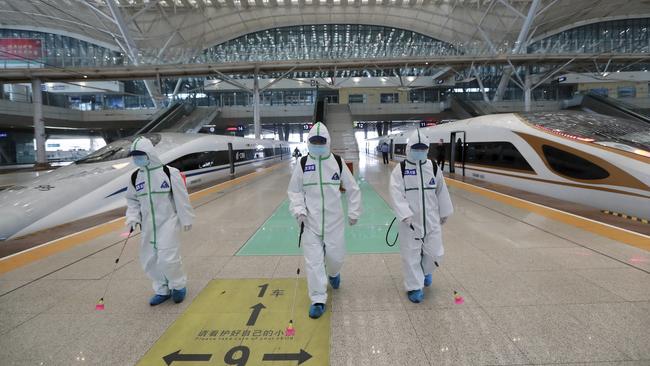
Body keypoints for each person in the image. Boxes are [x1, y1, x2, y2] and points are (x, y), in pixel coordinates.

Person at [287, 122, 362, 319]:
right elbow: (294, 191)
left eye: (321, 141)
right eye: (314, 141)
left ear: (328, 142)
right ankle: (318, 299)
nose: (318, 144)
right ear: (309, 142)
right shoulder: (302, 164)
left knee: (335, 259)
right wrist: (299, 210)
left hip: (334, 223)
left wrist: (354, 212)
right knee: (313, 263)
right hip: (310, 223)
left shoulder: (337, 162)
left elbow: (353, 188)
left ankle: (334, 273)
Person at [126, 136, 195, 306]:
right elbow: (132, 200)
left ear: (149, 154)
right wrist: (132, 217)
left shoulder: (169, 173)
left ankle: (178, 286)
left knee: (168, 258)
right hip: (148, 226)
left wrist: (186, 218)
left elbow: (181, 197)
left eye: (140, 155)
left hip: (168, 223)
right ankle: (161, 289)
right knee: (149, 258)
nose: (137, 159)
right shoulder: (135, 177)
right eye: (134, 156)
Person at [389, 129, 453, 303]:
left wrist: (444, 212)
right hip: (410, 223)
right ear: (409, 149)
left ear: (427, 149)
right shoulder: (400, 170)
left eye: (422, 148)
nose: (419, 151)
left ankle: (426, 271)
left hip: (432, 222)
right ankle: (414, 287)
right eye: (416, 148)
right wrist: (405, 215)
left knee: (435, 254)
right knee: (411, 256)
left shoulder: (432, 167)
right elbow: (396, 193)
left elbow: (441, 190)